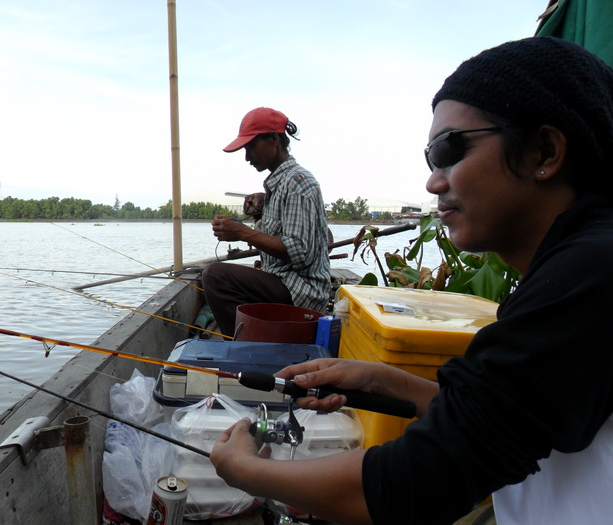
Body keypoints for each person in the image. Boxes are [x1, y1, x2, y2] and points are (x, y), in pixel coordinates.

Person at [209, 36, 613, 525]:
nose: (433, 181)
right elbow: (498, 419)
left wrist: (246, 471)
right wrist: (380, 377)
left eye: (449, 150)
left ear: (543, 152)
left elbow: (414, 484)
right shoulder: (575, 269)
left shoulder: (590, 275)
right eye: (430, 159)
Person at [202, 107, 331, 337]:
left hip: (303, 291)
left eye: (251, 147)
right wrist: (257, 221)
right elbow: (280, 239)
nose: (247, 157)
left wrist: (242, 232)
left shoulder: (298, 183)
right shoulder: (279, 184)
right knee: (224, 277)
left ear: (273, 140)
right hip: (285, 282)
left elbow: (300, 252)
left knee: (215, 276)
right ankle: (255, 337)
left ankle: (244, 347)